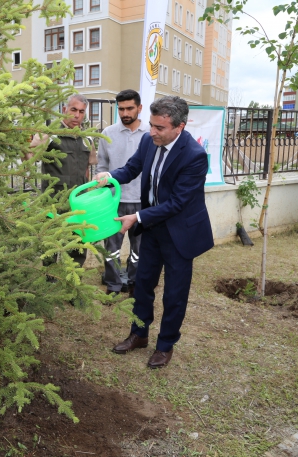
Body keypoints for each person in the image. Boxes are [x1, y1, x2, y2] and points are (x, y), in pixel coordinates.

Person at [94, 96, 213, 369]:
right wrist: (109, 178)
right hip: (152, 228)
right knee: (143, 285)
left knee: (174, 293)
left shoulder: (194, 156)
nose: (152, 132)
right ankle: (139, 334)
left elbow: (177, 204)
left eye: (160, 127)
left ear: (179, 127)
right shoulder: (150, 141)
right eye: (151, 125)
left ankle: (165, 345)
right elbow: (133, 168)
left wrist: (136, 216)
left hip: (180, 234)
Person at [29, 93, 97, 268]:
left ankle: (72, 285)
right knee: (51, 245)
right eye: (73, 110)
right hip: (54, 203)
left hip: (78, 204)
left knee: (77, 246)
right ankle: (50, 283)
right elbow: (29, 157)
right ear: (64, 109)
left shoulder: (87, 139)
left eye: (81, 112)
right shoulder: (51, 135)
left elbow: (87, 169)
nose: (77, 116)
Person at [96, 90, 148, 297]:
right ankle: (113, 285)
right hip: (113, 201)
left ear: (140, 108)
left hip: (142, 202)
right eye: (121, 109)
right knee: (111, 248)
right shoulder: (108, 133)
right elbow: (102, 165)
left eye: (130, 108)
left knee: (139, 249)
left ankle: (135, 283)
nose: (125, 113)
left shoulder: (150, 134)